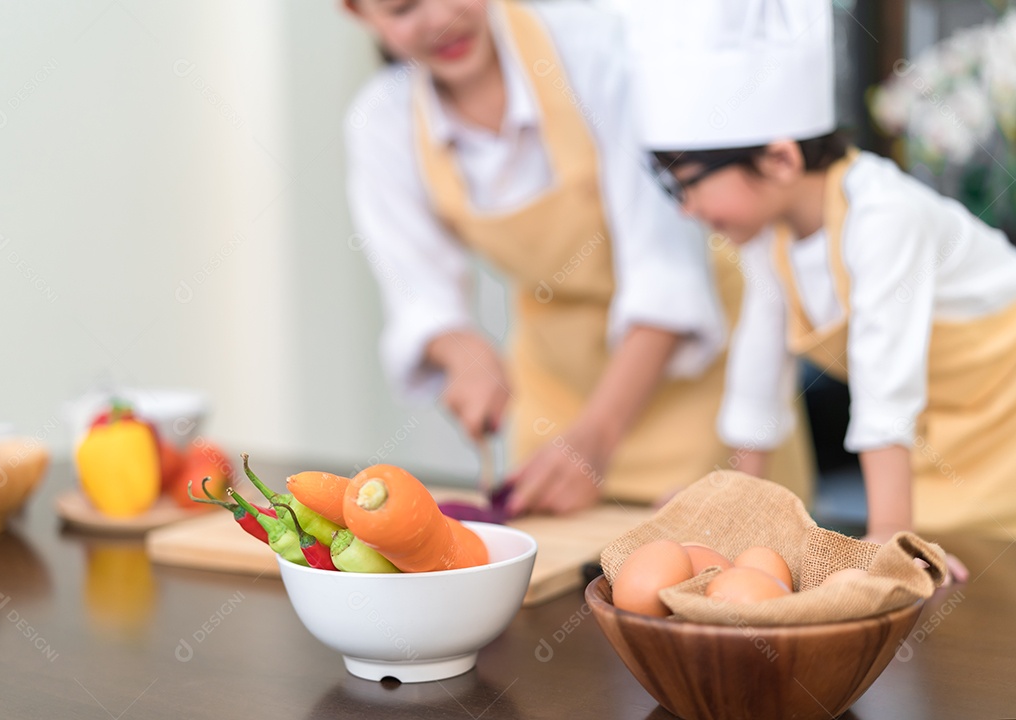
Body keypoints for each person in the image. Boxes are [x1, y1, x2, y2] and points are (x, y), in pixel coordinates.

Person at [342, 0, 814, 515]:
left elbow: (666, 273)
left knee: (717, 565)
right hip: (555, 393)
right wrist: (464, 353)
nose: (439, 19)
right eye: (402, 8)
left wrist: (600, 432)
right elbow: (421, 295)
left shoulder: (594, 51)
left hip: (701, 387)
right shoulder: (381, 121)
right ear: (358, 13)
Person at [628, 0, 1016, 578]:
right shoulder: (769, 237)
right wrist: (733, 509)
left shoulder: (883, 215)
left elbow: (887, 384)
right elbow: (758, 374)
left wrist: (888, 540)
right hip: (937, 445)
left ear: (780, 159)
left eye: (689, 186)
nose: (687, 210)